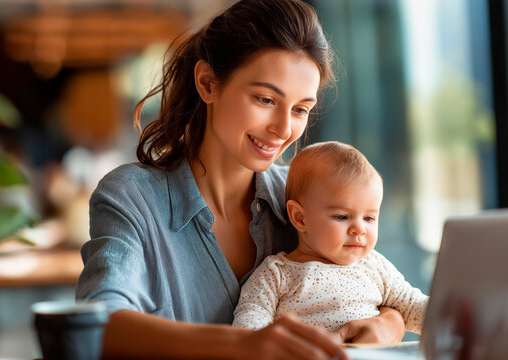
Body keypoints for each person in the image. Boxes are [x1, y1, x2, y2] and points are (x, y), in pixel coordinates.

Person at [76, 0, 406, 358]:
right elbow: (98, 325)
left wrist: (391, 323)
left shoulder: (303, 195)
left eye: (299, 110)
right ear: (207, 84)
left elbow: (377, 282)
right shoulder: (133, 196)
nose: (283, 129)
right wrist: (245, 345)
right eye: (265, 99)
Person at [232, 141, 428, 334]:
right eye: (342, 216)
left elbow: (413, 307)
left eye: (369, 218)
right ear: (300, 218)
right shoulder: (276, 274)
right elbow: (250, 323)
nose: (359, 229)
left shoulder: (374, 266)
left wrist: (454, 312)